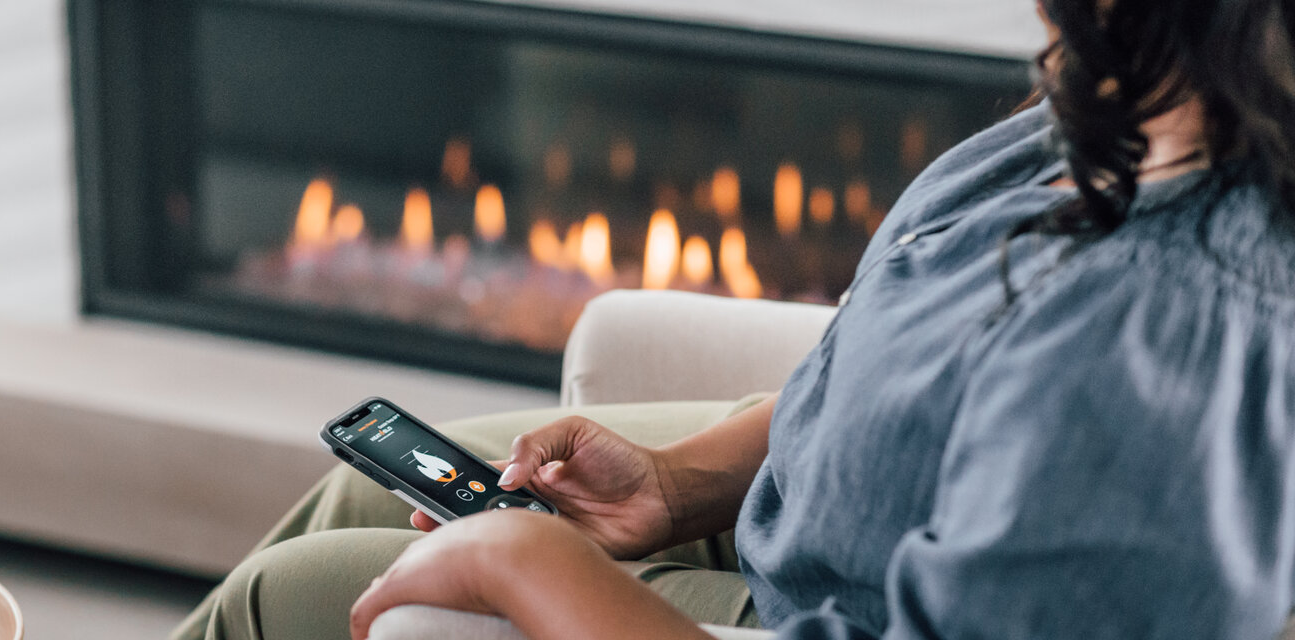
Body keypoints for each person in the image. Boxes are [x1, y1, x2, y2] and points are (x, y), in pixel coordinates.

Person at [174, 0, 1295, 637]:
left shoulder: (1161, 352)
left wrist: (535, 572)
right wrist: (678, 482)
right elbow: (902, 358)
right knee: (363, 480)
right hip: (817, 523)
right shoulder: (1114, 117)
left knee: (281, 605)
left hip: (814, 612)